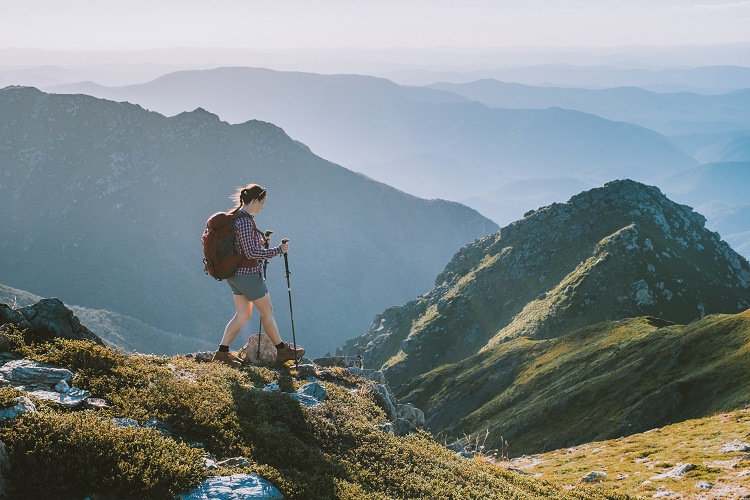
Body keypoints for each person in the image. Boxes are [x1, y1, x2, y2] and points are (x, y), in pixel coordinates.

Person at [212, 183, 305, 367]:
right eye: (262, 202)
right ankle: (281, 351)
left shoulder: (235, 218)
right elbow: (250, 253)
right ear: (254, 200)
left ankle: (222, 353)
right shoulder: (245, 221)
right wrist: (278, 250)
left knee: (242, 314)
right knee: (267, 311)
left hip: (234, 275)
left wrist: (262, 241)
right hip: (247, 275)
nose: (262, 206)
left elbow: (243, 246)